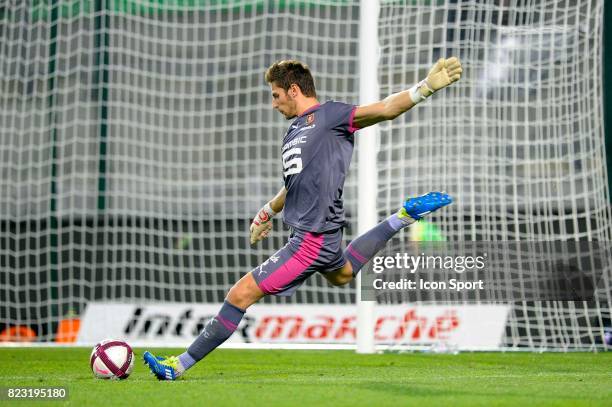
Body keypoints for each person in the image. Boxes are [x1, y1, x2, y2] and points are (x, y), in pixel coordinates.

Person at [144, 57, 462, 380]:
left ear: (293, 90)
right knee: (343, 274)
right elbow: (291, 186)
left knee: (239, 295)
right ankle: (403, 216)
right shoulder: (293, 132)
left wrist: (424, 89)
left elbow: (384, 109)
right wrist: (267, 211)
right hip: (323, 235)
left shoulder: (329, 117)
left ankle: (177, 365)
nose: (273, 103)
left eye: (276, 95)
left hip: (309, 240)